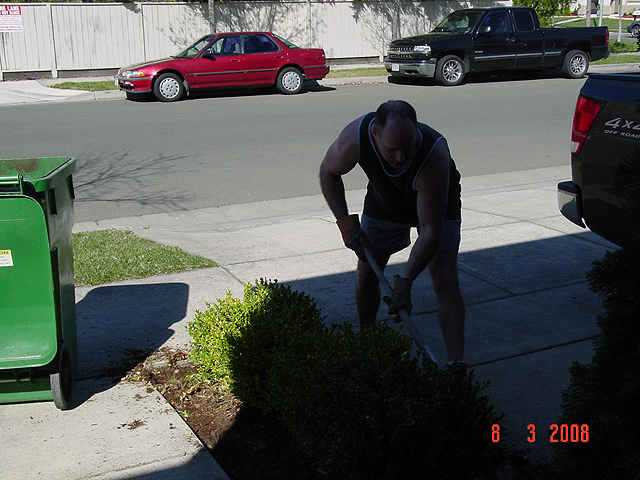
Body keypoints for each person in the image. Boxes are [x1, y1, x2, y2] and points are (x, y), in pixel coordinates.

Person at [319, 100, 465, 363]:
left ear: (416, 133)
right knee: (366, 274)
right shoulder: (356, 138)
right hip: (384, 199)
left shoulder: (433, 155)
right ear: (375, 133)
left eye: (408, 147)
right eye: (391, 149)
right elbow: (328, 171)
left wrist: (405, 283)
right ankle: (367, 343)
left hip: (438, 200)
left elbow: (430, 232)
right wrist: (346, 224)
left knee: (444, 278)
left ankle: (457, 365)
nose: (401, 158)